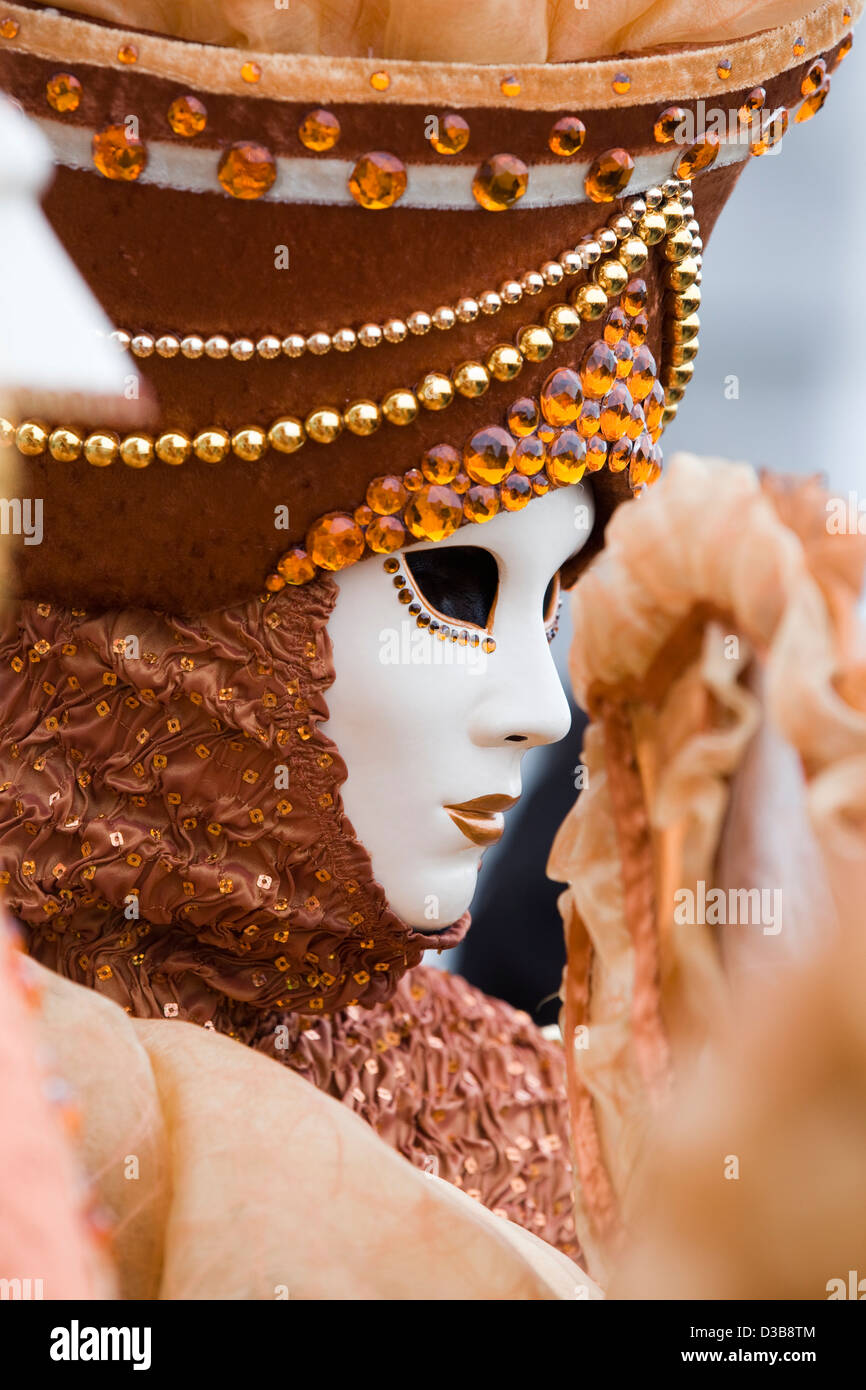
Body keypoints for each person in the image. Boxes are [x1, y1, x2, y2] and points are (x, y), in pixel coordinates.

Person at [0, 0, 853, 1294]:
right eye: (451, 584)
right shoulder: (49, 1108)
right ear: (183, 602)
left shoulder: (531, 1119)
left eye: (551, 596)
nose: (534, 709)